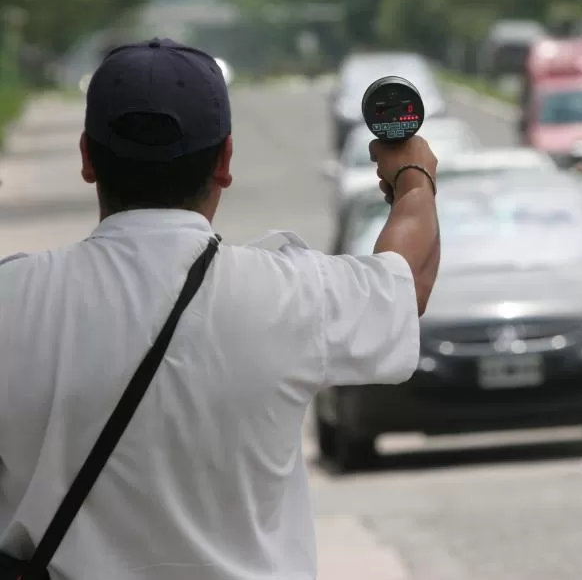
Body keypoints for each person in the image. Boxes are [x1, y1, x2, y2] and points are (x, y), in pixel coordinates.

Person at [0, 38, 440, 579]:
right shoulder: (291, 295)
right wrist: (412, 179)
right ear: (225, 161)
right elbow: (406, 281)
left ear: (88, 159)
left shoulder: (13, 299)